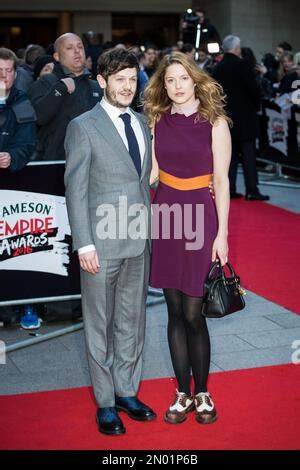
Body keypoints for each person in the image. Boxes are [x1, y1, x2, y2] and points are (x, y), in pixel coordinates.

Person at [64, 48, 156, 436]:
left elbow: (143, 182)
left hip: (138, 241)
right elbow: (75, 189)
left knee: (133, 322)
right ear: (101, 81)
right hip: (99, 245)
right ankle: (105, 403)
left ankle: (126, 391)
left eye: (132, 79)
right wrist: (83, 243)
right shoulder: (83, 126)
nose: (127, 86)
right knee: (99, 325)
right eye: (119, 79)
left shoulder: (141, 122)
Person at [144, 51, 231, 425]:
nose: (176, 86)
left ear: (194, 79)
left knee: (195, 313)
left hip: (201, 216)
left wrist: (223, 233)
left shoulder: (215, 121)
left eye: (182, 78)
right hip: (166, 215)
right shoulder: (156, 121)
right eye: (169, 80)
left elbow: (223, 181)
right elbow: (151, 176)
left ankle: (203, 392)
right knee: (174, 310)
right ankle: (183, 393)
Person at [28, 33, 102, 161]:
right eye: (69, 48)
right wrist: (60, 89)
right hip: (55, 163)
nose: (77, 51)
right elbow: (39, 117)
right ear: (56, 56)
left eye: (80, 47)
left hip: (92, 163)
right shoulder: (46, 82)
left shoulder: (96, 87)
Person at [213, 35, 269, 200]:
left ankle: (230, 189)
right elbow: (254, 89)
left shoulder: (218, 67)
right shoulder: (243, 65)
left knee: (230, 157)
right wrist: (257, 106)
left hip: (226, 119)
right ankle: (252, 190)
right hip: (245, 118)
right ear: (237, 48)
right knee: (248, 156)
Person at [0, 47, 36, 172]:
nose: (3, 75)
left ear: (15, 75)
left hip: (9, 178)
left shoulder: (22, 102)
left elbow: (27, 142)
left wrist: (11, 156)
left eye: (8, 70)